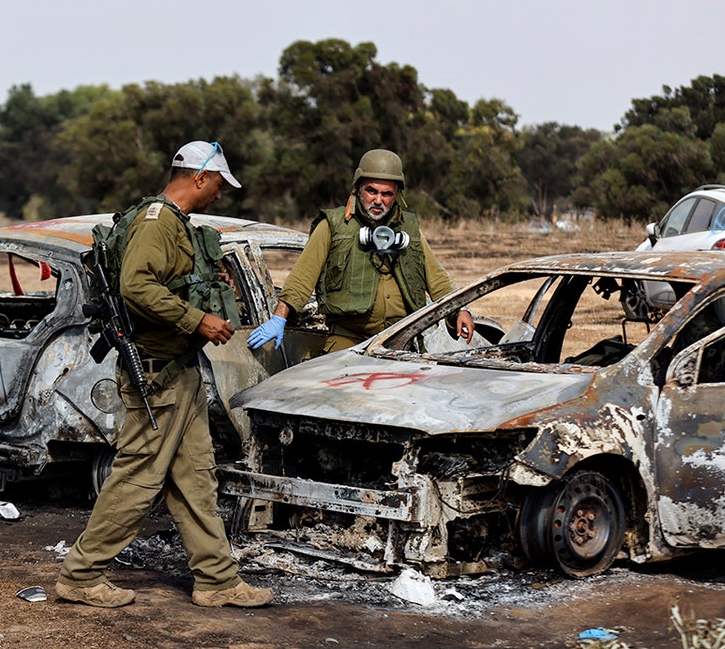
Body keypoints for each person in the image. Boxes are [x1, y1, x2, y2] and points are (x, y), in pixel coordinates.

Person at [56, 141, 274, 609]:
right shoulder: (156, 223)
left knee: (195, 477)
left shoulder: (176, 225)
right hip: (158, 377)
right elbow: (136, 286)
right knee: (138, 478)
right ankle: (81, 574)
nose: (219, 194)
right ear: (199, 177)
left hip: (181, 372)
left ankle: (216, 580)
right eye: (217, 184)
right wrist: (197, 320)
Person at [248, 148, 473, 355]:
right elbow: (301, 278)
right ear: (357, 189)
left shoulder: (410, 230)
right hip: (349, 341)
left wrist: (460, 311)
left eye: (386, 194)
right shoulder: (333, 225)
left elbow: (437, 280)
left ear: (397, 196)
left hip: (400, 339)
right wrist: (279, 318)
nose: (378, 200)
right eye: (371, 191)